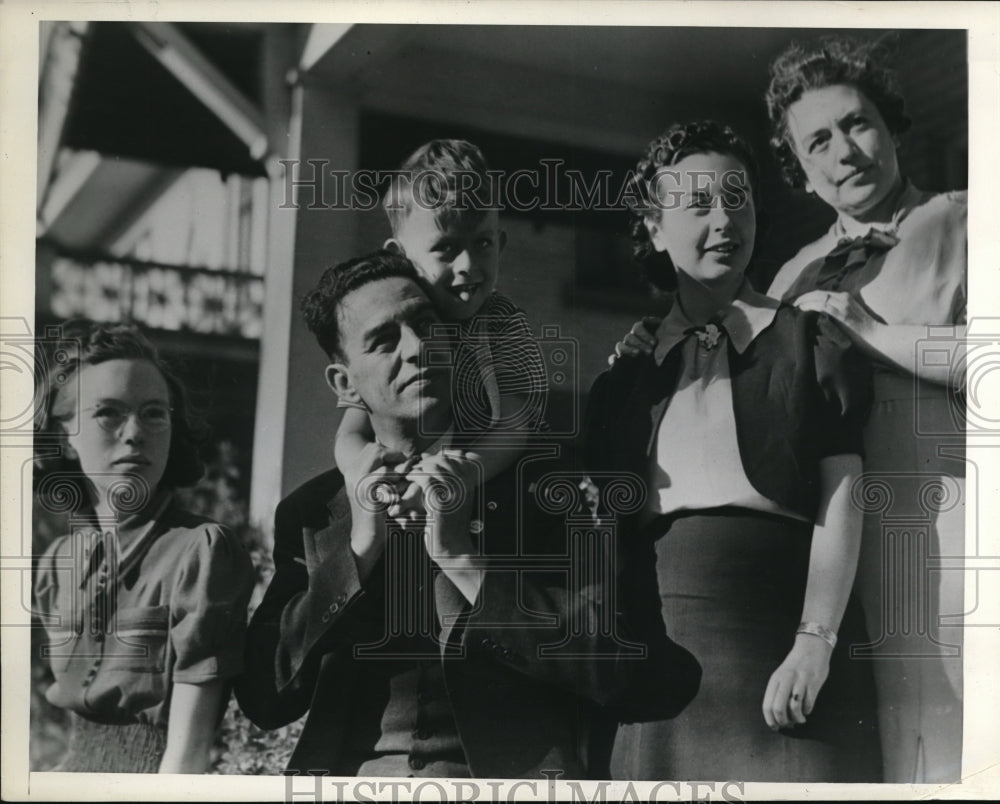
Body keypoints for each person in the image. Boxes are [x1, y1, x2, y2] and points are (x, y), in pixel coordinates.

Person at [234, 250, 701, 778]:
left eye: (426, 325)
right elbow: (263, 698)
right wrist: (358, 552)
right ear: (345, 385)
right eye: (384, 340)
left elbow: (633, 674)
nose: (417, 349)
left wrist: (466, 563)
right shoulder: (315, 512)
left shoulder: (545, 486)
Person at [585, 121, 880, 782]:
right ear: (655, 229)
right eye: (697, 205)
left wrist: (815, 642)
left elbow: (844, 498)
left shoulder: (810, 341)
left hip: (787, 651)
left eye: (736, 199)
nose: (723, 220)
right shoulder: (628, 378)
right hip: (658, 670)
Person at [762, 37, 967, 784]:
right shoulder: (792, 277)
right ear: (802, 171)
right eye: (819, 140)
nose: (845, 150)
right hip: (839, 565)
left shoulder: (966, 221)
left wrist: (871, 332)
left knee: (957, 755)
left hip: (957, 537)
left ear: (892, 126)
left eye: (858, 123)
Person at [33, 321, 254, 773]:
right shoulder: (57, 564)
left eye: (154, 412)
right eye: (108, 413)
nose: (134, 432)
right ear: (64, 438)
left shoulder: (201, 554)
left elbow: (187, 755)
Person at [334, 139, 548, 519]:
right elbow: (352, 432)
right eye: (446, 248)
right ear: (399, 257)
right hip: (406, 482)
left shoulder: (502, 323)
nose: (468, 264)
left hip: (488, 483)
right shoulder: (391, 334)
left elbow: (516, 425)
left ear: (499, 244)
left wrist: (462, 474)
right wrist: (368, 473)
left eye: (482, 243)